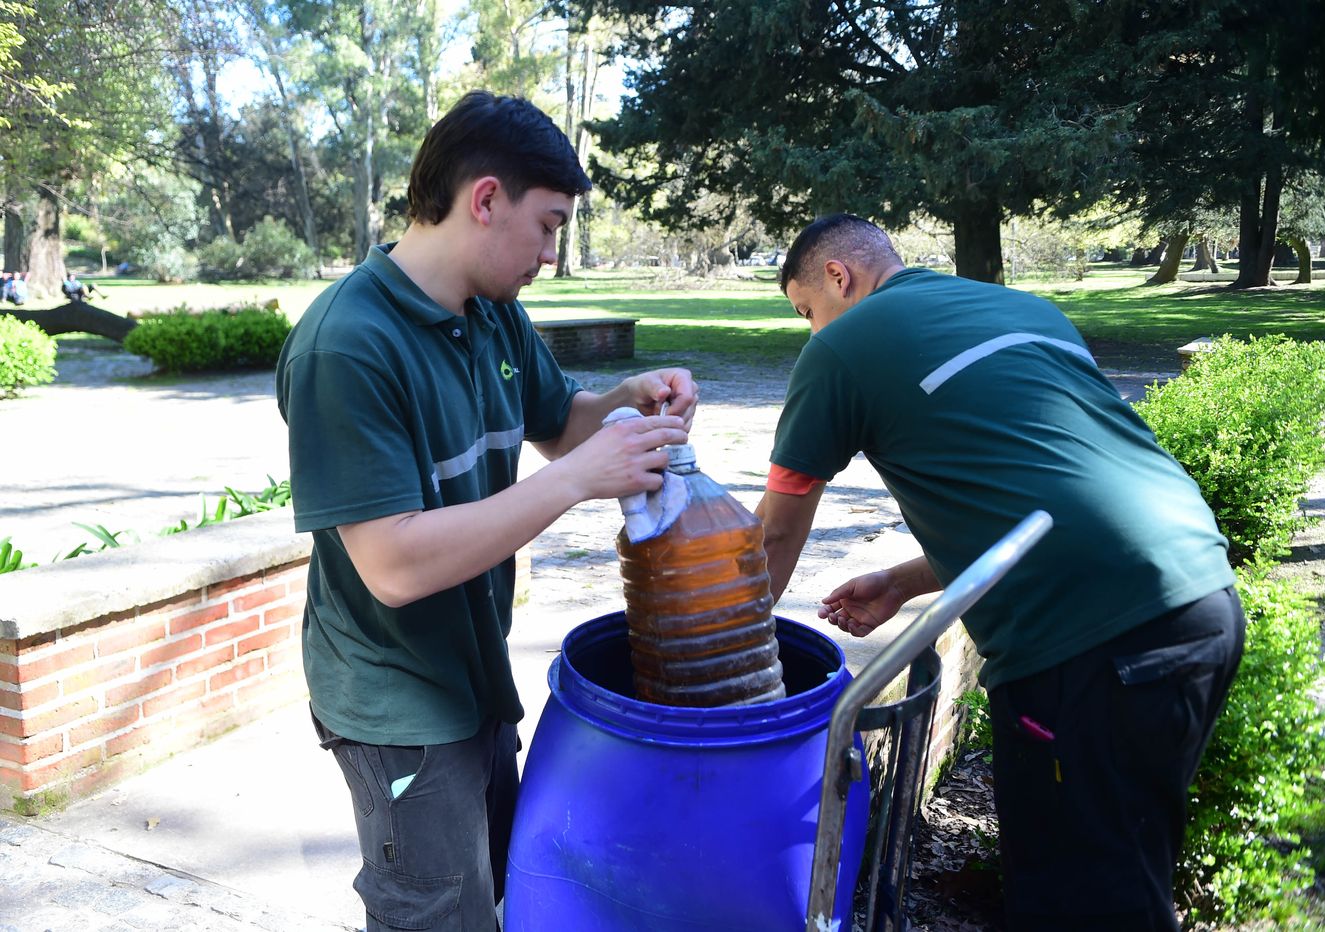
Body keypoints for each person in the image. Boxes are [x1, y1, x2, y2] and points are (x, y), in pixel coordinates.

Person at [275, 90, 697, 932]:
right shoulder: (347, 346)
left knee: (496, 884)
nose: (549, 252)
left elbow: (557, 425)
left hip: (475, 673)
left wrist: (625, 403)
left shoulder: (494, 314)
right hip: (395, 700)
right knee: (437, 913)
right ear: (485, 200)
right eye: (547, 225)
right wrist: (579, 479)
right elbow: (393, 566)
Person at [755, 214, 1244, 931]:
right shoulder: (1023, 308)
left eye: (807, 313)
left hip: (1089, 643)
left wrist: (711, 666)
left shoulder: (843, 349)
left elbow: (773, 533)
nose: (811, 333)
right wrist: (902, 581)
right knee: (1129, 872)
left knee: (1075, 904)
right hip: (1202, 600)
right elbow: (1048, 485)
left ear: (838, 277)